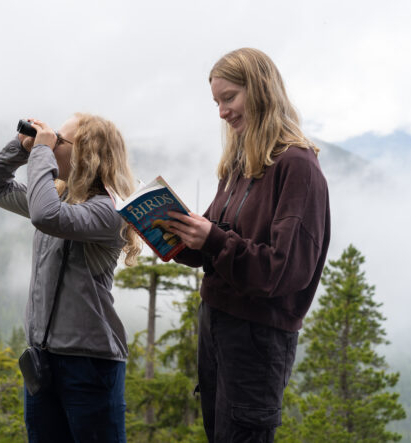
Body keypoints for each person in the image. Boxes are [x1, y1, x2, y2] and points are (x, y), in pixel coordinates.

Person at [168, 48, 331, 442]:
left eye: (229, 98)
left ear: (259, 90)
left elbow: (283, 271)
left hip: (258, 338)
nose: (222, 111)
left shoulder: (297, 167)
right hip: (218, 325)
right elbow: (215, 243)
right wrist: (169, 232)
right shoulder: (241, 164)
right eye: (217, 102)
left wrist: (212, 239)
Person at [0, 113, 140, 442]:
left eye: (59, 142)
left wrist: (40, 152)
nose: (52, 148)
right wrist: (22, 148)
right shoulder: (60, 197)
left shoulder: (108, 211)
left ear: (88, 153)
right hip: (44, 361)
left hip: (89, 365)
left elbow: (46, 216)